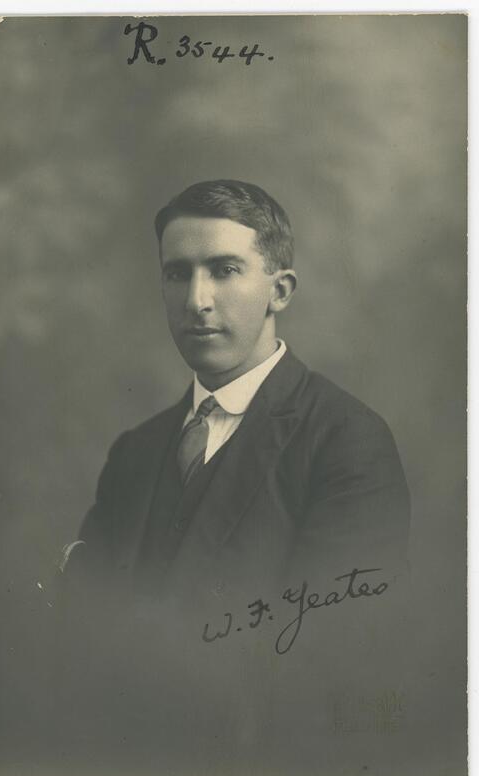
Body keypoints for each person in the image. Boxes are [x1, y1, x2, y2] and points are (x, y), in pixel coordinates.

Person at [60, 179, 410, 615]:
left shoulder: (344, 441)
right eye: (177, 273)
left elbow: (333, 639)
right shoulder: (133, 454)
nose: (196, 300)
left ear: (279, 292)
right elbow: (78, 627)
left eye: (224, 270)